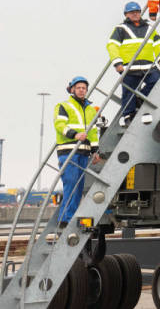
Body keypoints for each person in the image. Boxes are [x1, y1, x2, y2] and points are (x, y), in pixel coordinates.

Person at [106, 2, 160, 124]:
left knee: (156, 82)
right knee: (128, 91)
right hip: (129, 67)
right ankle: (128, 116)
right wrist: (118, 63)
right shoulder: (120, 29)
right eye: (132, 12)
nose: (135, 14)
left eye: (137, 12)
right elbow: (112, 45)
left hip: (148, 66)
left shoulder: (150, 28)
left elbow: (158, 44)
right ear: (126, 14)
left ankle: (139, 98)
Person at [53, 76, 100, 227]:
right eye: (78, 87)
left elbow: (93, 132)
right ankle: (65, 219)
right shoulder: (64, 106)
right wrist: (75, 134)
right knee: (71, 183)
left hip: (84, 153)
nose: (81, 90)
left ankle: (70, 217)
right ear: (72, 89)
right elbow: (59, 125)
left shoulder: (91, 109)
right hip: (69, 151)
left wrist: (95, 151)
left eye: (84, 88)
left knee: (78, 187)